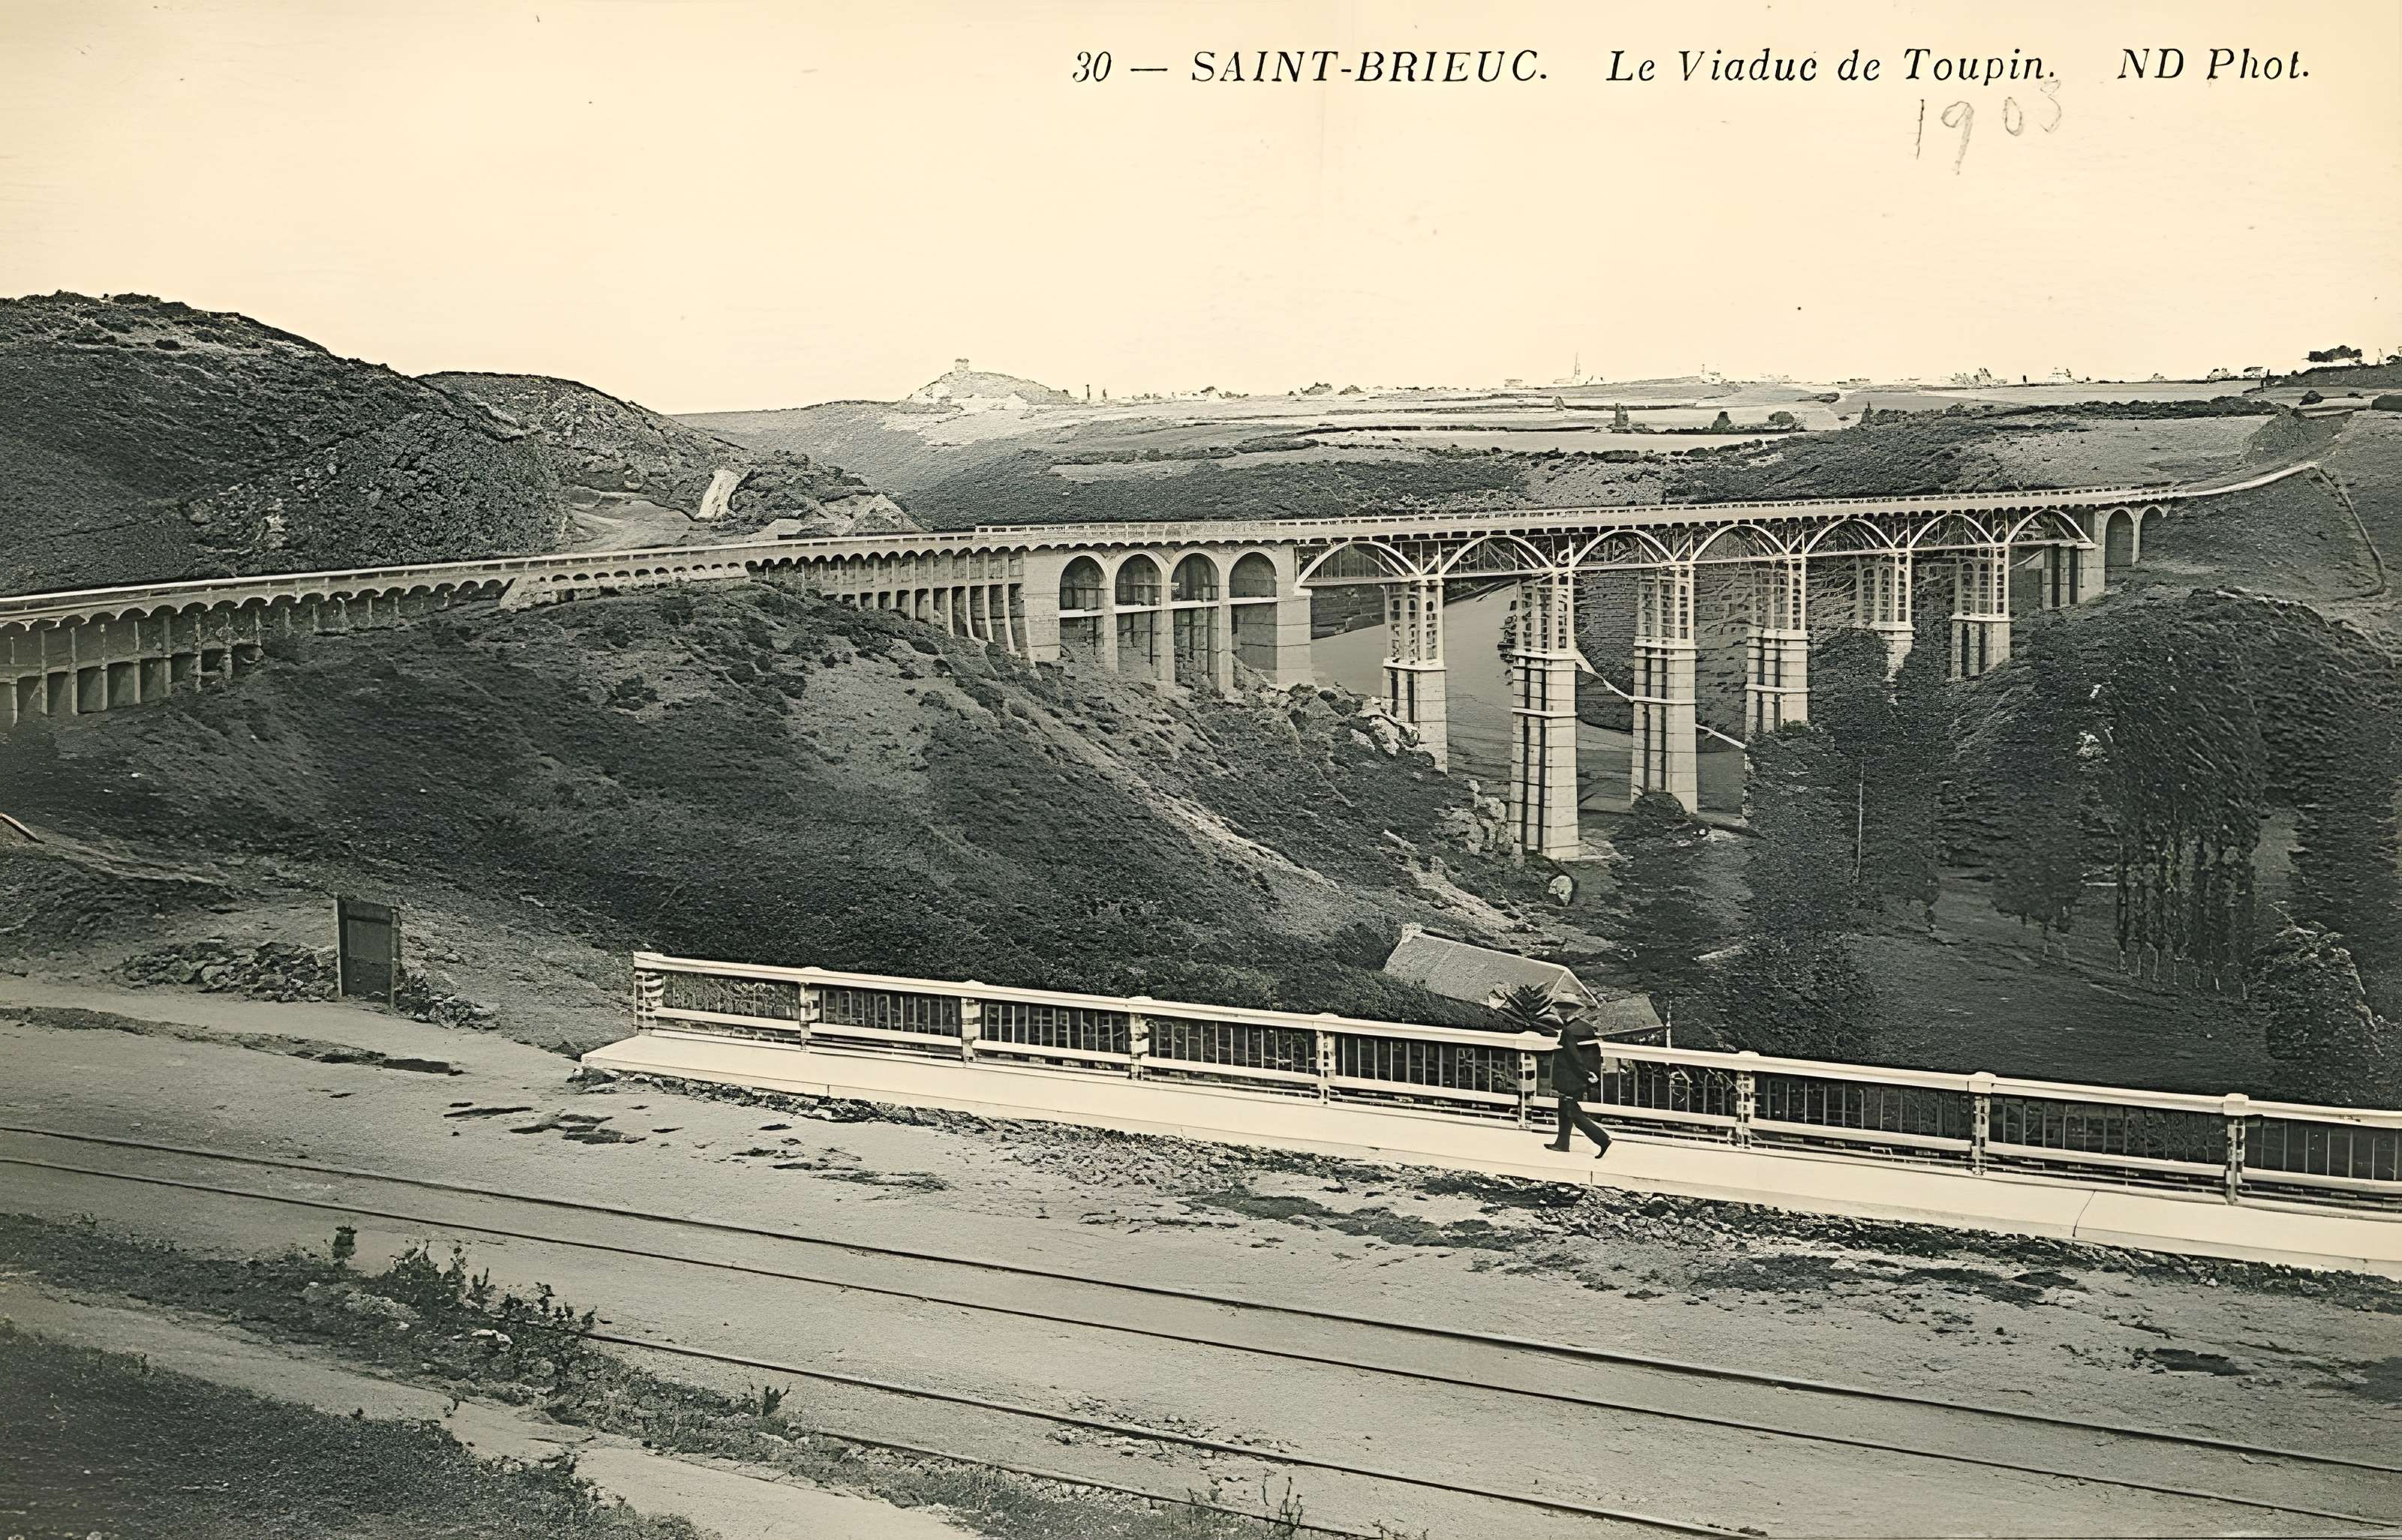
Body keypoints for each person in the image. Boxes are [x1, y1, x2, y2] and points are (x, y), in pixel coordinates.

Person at [1545, 1015, 1612, 1158]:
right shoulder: (1585, 1027)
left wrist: (1585, 1073)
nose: (1559, 1012)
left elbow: (1573, 1056)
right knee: (1564, 1107)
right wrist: (1591, 1073)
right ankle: (1561, 1144)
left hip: (1570, 1076)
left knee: (1571, 1110)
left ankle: (1602, 1139)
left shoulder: (1569, 1030)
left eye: (1562, 1008)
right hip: (1578, 1077)